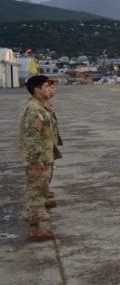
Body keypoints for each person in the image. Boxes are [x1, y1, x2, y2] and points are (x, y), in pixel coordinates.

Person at [19, 75, 59, 241]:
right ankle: (35, 230)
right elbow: (31, 136)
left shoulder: (43, 106)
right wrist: (36, 160)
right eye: (47, 86)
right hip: (39, 158)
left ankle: (36, 218)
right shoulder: (35, 109)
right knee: (35, 192)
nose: (51, 89)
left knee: (40, 189)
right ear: (36, 90)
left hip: (45, 154)